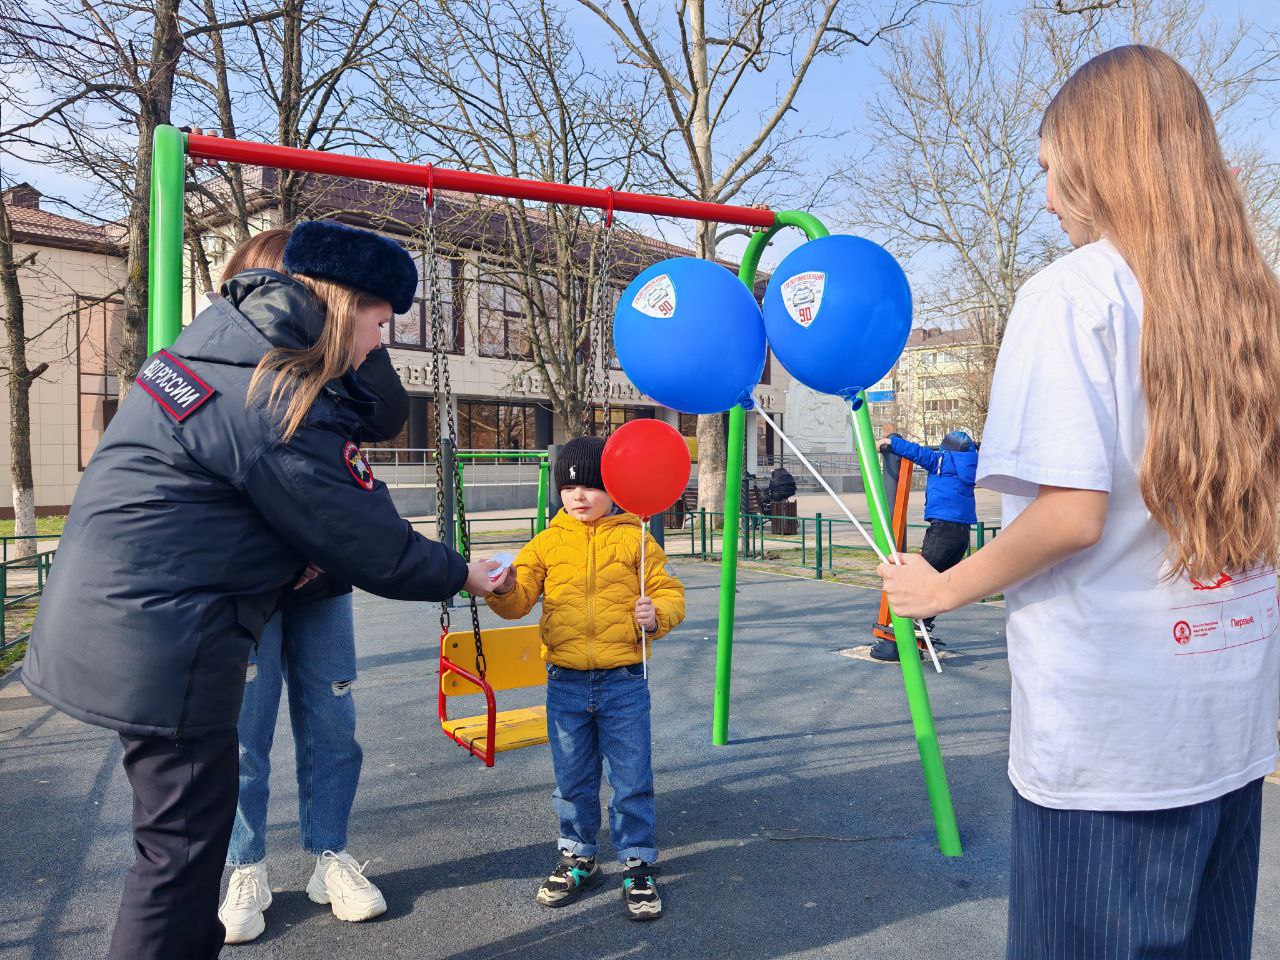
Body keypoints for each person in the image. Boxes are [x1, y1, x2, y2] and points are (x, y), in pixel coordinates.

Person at [878, 46, 1280, 959]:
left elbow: (1070, 514)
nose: (1049, 194)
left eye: (1052, 167)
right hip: (1227, 715)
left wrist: (938, 590)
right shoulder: (1251, 299)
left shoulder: (1072, 294)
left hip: (1110, 735)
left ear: (1103, 160)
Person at [22, 218, 499, 960]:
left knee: (179, 842)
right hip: (165, 641)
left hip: (124, 619)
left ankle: (312, 858)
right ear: (345, 308)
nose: (379, 344)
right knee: (178, 857)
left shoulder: (216, 346)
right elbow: (361, 533)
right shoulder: (271, 391)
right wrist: (462, 571)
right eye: (378, 324)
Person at [207, 229, 408, 942]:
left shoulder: (337, 361)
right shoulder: (232, 364)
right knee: (243, 735)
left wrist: (370, 334)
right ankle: (243, 865)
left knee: (332, 724)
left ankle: (329, 853)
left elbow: (388, 414)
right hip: (253, 584)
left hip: (323, 583)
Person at [487, 436, 685, 921]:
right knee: (572, 778)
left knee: (631, 776)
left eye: (592, 486)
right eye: (570, 487)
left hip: (624, 680)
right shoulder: (546, 543)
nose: (580, 496)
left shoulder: (636, 538)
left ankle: (637, 863)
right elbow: (517, 602)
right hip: (567, 682)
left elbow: (672, 593)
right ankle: (578, 854)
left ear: (613, 490)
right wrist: (504, 586)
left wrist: (655, 613)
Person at [869, 430, 977, 661]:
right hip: (962, 534)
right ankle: (924, 624)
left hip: (942, 530)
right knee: (936, 580)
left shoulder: (941, 460)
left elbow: (916, 452)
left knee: (917, 582)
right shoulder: (973, 464)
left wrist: (889, 442)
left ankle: (904, 641)